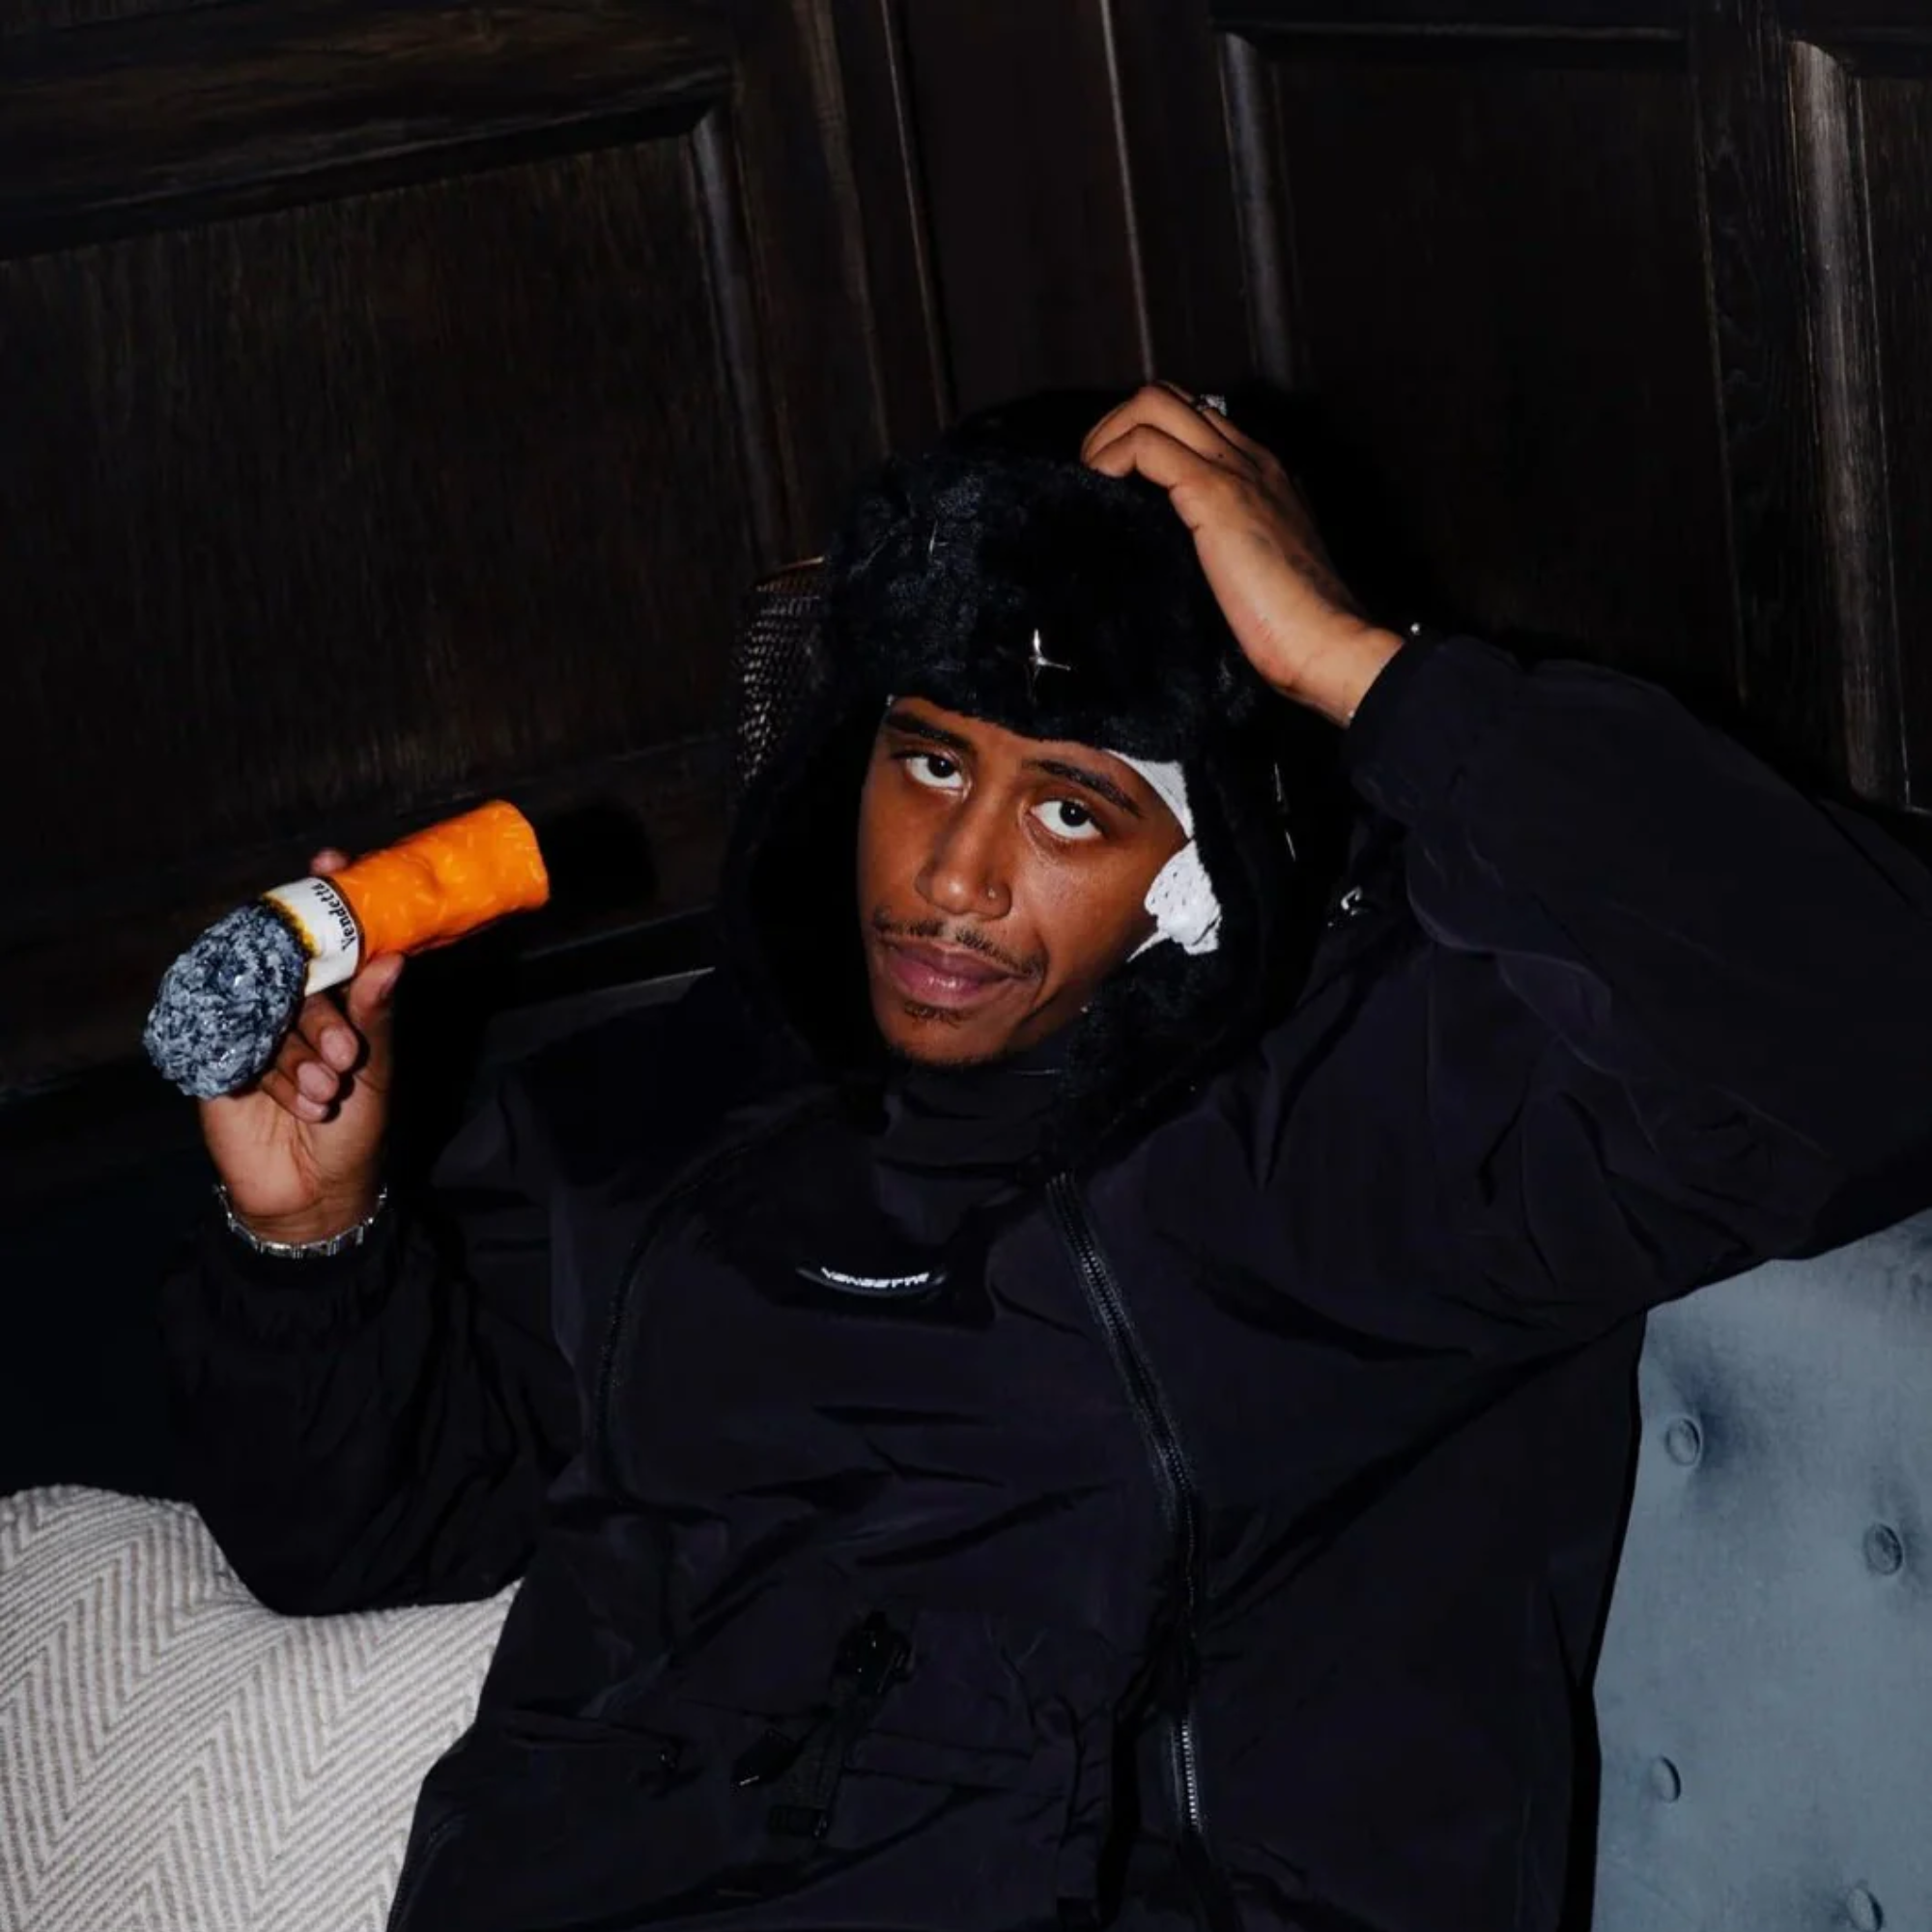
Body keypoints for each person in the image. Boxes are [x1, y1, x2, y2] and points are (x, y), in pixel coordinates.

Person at [162, 384, 1932, 1932]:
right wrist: (309, 1235)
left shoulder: (1377, 1122)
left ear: (1209, 861)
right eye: (930, 765)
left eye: (1074, 809)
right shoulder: (689, 1105)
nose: (955, 877)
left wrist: (1359, 671)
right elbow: (371, 1535)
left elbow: (1877, 1035)